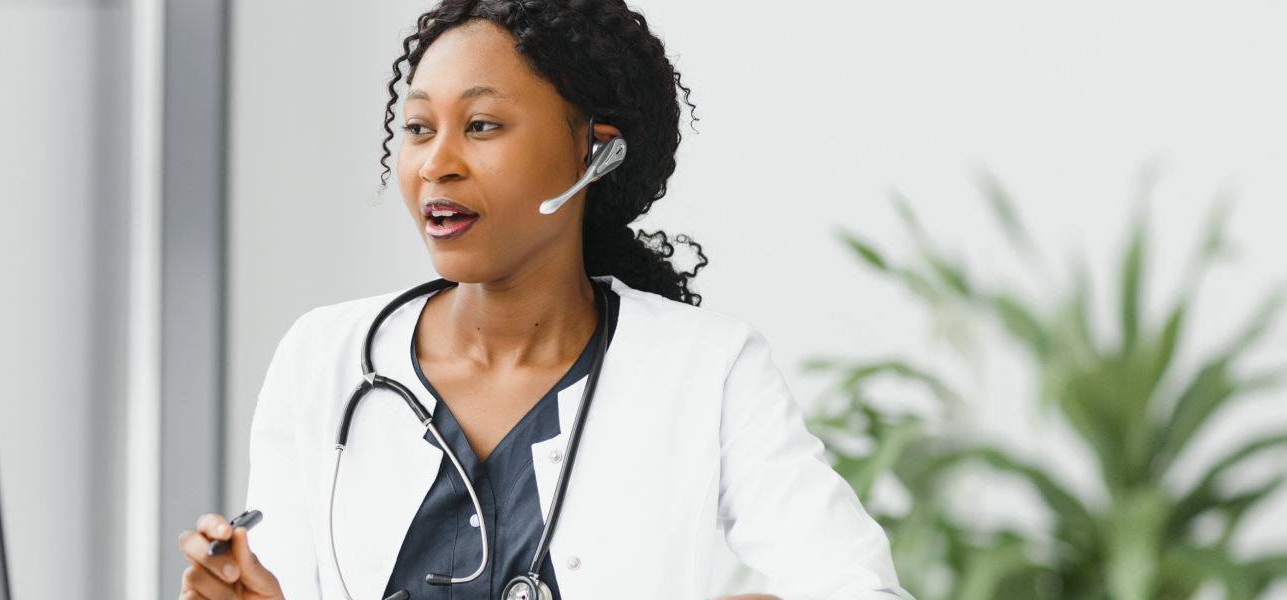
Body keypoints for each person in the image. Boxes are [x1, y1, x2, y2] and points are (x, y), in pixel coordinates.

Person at [178, 1, 909, 598]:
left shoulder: (707, 369)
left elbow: (858, 587)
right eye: (419, 128)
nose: (437, 163)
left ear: (594, 151)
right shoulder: (325, 357)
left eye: (482, 125)